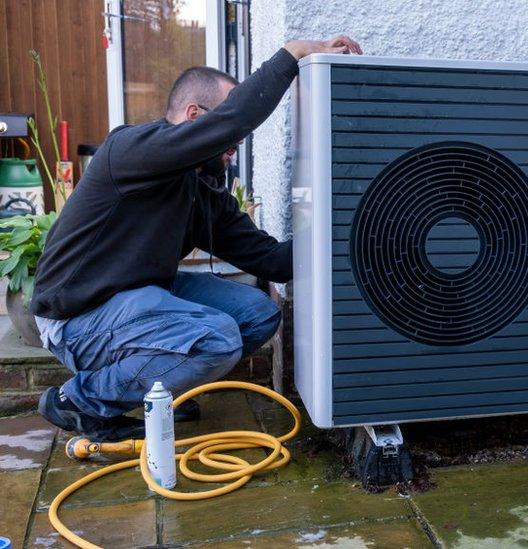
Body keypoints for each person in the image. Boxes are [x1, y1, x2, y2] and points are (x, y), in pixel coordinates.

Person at [31, 37, 363, 441]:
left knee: (258, 314)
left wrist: (352, 238)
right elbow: (233, 120)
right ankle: (81, 402)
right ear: (194, 116)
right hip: (79, 316)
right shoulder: (130, 151)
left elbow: (271, 260)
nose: (233, 151)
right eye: (230, 143)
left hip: (138, 297)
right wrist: (292, 55)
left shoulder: (202, 192)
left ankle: (158, 385)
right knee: (218, 338)